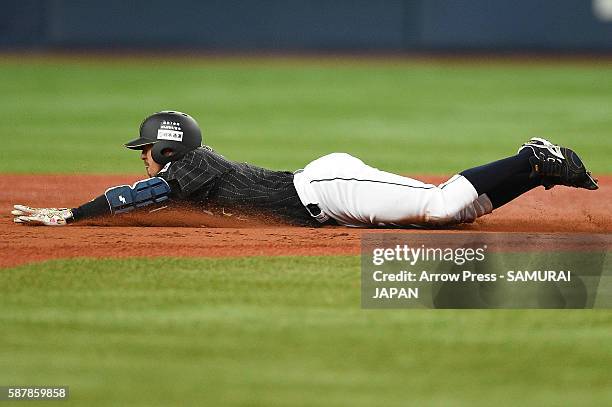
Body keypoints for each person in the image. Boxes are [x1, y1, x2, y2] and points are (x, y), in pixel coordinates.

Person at [12, 111, 598, 228]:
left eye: (145, 147)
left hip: (327, 188)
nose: (142, 156)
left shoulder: (193, 166)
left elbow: (137, 195)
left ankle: (531, 156)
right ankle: (536, 172)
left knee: (439, 204)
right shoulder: (189, 171)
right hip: (326, 199)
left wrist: (71, 214)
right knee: (458, 216)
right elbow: (146, 196)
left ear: (167, 149)